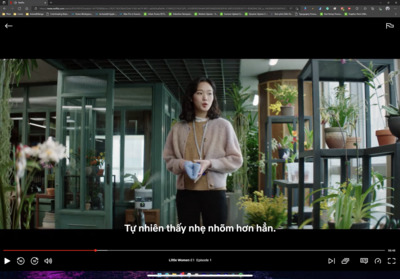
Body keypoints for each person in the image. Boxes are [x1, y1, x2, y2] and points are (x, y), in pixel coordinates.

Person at [163, 76, 243, 227]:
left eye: (210, 93)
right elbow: (169, 159)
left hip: (215, 194)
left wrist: (210, 163)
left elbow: (236, 159)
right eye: (200, 93)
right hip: (186, 194)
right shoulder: (178, 128)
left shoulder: (224, 126)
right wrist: (181, 164)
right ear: (191, 97)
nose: (205, 97)